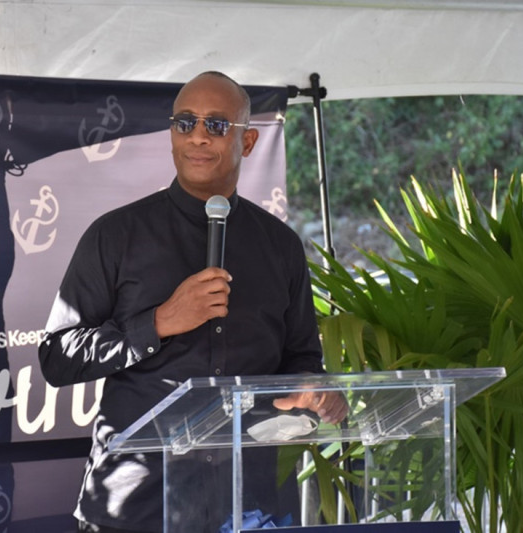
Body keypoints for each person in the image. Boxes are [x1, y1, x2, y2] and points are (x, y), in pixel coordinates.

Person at [38, 71, 347, 533]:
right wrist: (159, 322)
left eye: (217, 125)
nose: (198, 136)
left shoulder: (279, 246)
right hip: (136, 503)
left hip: (245, 504)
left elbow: (301, 357)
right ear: (171, 135)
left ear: (247, 142)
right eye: (185, 123)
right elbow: (57, 357)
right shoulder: (116, 235)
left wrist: (311, 391)